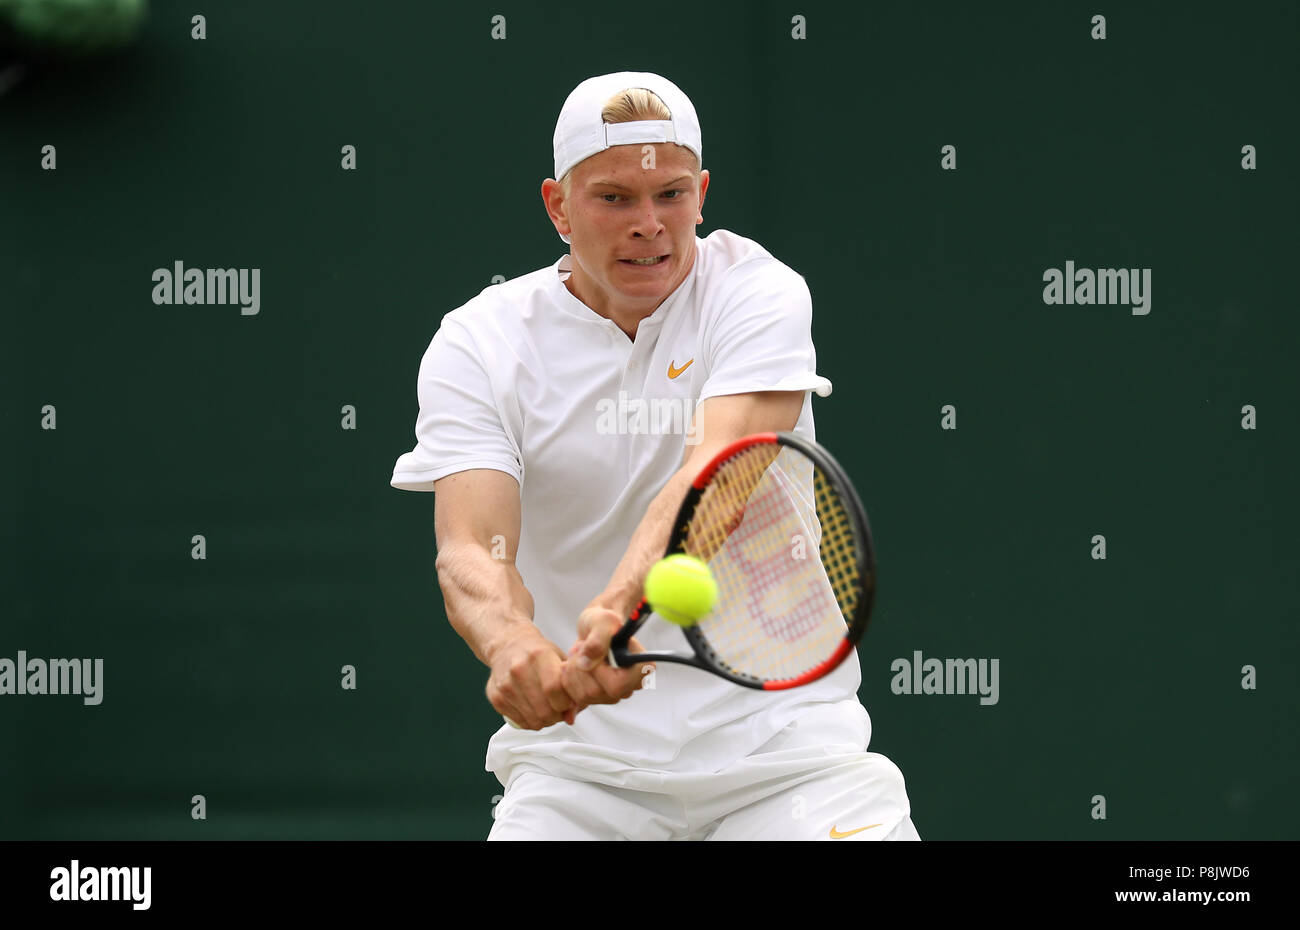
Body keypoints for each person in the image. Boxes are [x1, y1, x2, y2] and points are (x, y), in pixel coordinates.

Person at [391, 71, 918, 840]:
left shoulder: (758, 294)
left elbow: (717, 473)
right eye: (614, 199)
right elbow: (470, 544)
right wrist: (512, 643)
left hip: (789, 758)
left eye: (671, 195)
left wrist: (612, 613)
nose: (650, 223)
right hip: (580, 777)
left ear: (702, 194)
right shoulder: (480, 341)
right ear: (558, 207)